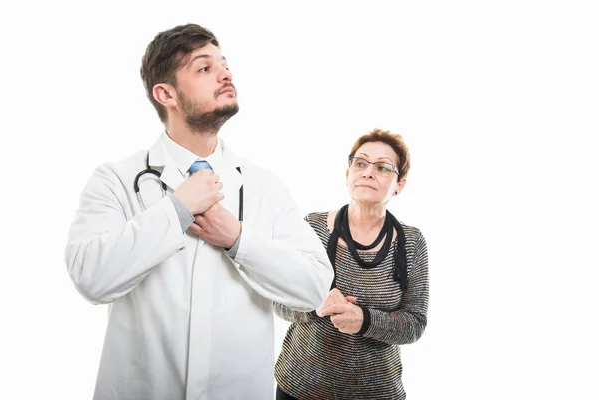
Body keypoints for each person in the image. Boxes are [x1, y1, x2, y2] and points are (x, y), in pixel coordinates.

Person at [64, 23, 334, 400]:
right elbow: (90, 278)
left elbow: (314, 286)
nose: (226, 74)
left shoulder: (264, 186)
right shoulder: (116, 180)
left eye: (224, 65)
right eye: (204, 68)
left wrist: (237, 239)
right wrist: (176, 211)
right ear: (166, 94)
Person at [273, 128, 429, 400]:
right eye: (360, 163)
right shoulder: (312, 227)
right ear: (348, 174)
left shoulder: (412, 242)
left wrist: (365, 320)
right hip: (300, 387)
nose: (368, 172)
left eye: (382, 167)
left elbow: (415, 324)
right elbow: (278, 301)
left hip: (377, 393)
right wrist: (315, 302)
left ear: (400, 183)